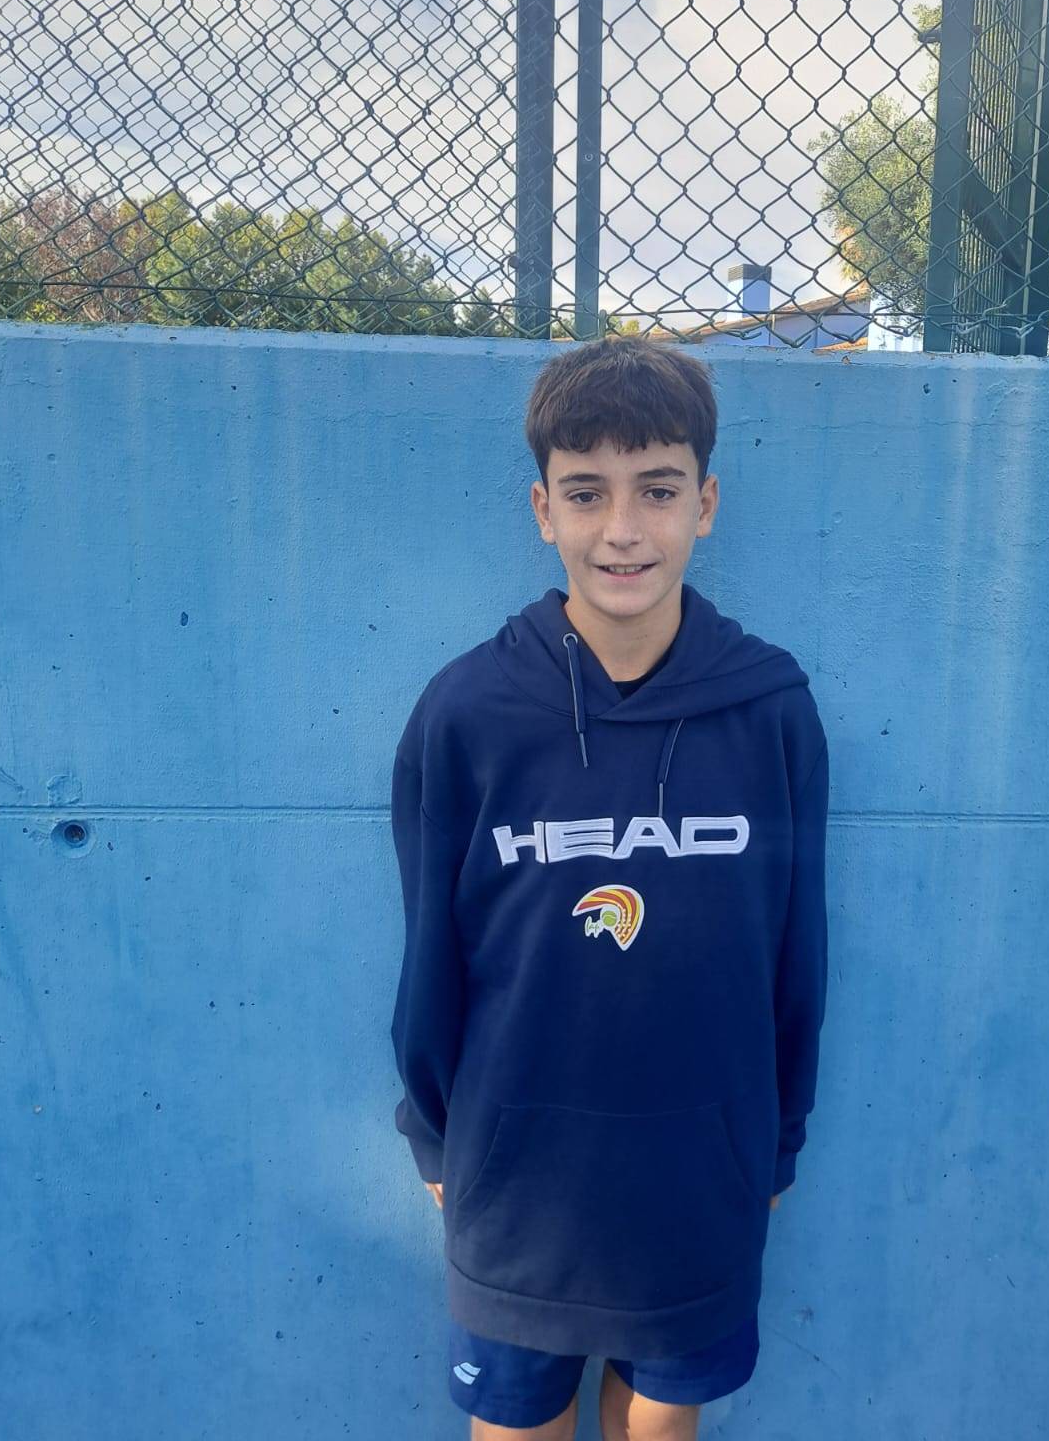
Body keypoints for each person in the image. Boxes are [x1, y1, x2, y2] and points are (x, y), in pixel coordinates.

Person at [390, 336, 830, 1440]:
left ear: (706, 504)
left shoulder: (771, 710)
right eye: (587, 492)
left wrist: (777, 1137)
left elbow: (796, 950)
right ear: (544, 509)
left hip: (701, 1168)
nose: (623, 528)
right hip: (517, 1178)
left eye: (658, 489)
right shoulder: (467, 713)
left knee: (659, 1426)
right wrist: (435, 1135)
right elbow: (430, 949)